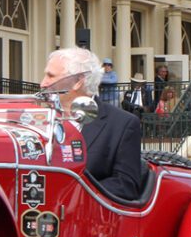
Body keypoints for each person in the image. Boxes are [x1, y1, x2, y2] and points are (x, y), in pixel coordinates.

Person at [40, 47, 143, 201]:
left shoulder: (122, 124)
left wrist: (71, 194)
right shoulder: (37, 119)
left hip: (88, 219)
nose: (43, 83)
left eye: (51, 76)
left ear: (78, 82)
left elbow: (126, 185)